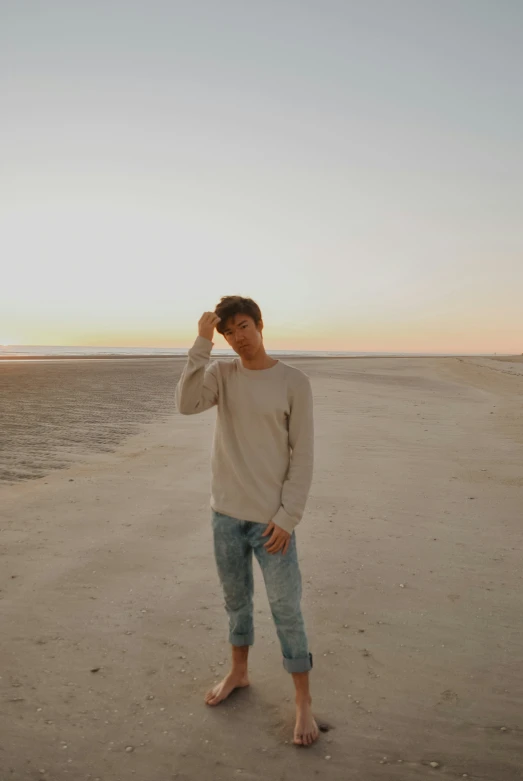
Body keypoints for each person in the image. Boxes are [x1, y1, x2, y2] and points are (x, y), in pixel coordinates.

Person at [175, 295, 318, 747]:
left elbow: (304, 455)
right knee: (235, 602)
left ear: (260, 324)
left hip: (271, 524)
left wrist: (288, 517)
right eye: (228, 332)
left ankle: (303, 703)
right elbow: (185, 404)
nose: (238, 338)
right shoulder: (222, 373)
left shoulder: (294, 381)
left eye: (243, 327)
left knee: (286, 611)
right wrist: (200, 344)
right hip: (225, 516)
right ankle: (239, 673)